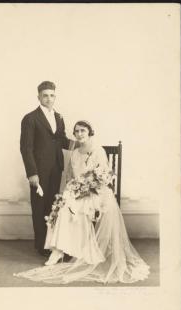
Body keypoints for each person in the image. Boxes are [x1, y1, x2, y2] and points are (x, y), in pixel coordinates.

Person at [16, 120, 150, 284]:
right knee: (64, 206)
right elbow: (71, 177)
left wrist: (85, 189)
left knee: (78, 207)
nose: (79, 134)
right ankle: (58, 251)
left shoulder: (98, 151)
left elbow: (103, 177)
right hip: (79, 189)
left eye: (83, 131)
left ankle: (81, 251)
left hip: (97, 191)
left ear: (89, 132)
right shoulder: (74, 153)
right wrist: (71, 191)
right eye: (76, 131)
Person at [20, 81, 75, 256]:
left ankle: (51, 242)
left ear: (55, 96)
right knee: (39, 207)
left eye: (52, 95)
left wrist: (82, 143)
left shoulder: (58, 117)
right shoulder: (30, 118)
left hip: (56, 168)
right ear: (39, 97)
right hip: (39, 170)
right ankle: (40, 245)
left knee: (53, 206)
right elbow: (26, 148)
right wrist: (32, 173)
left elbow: (61, 140)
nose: (49, 98)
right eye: (45, 95)